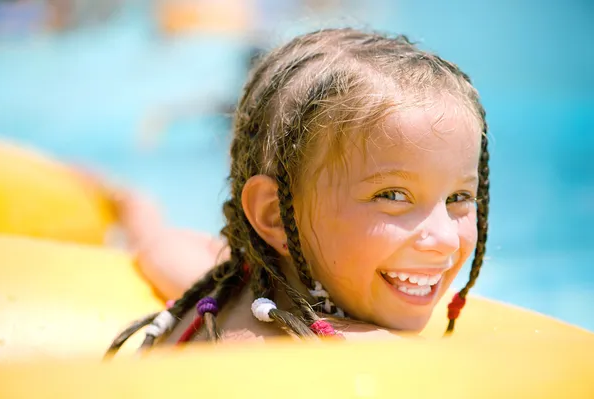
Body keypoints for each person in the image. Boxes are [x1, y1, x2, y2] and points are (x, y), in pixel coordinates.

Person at [107, 27, 490, 355]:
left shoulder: (225, 292)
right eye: (391, 195)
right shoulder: (363, 351)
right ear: (274, 216)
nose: (444, 239)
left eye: (458, 198)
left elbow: (163, 248)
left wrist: (134, 211)